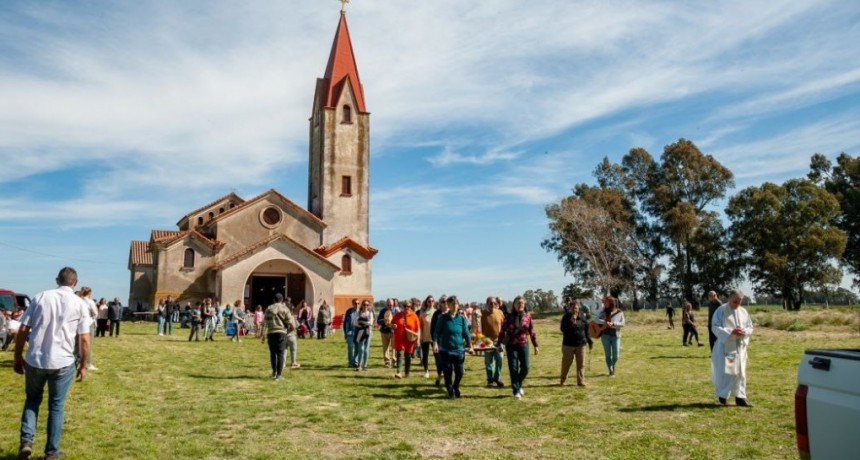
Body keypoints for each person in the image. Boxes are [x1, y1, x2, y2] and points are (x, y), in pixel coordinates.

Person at [13, 267, 93, 460]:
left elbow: (23, 328)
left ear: (57, 279)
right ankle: (51, 452)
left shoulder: (41, 297)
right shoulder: (79, 303)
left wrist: (17, 355)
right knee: (56, 406)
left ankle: (26, 441)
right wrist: (83, 365)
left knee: (32, 400)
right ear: (75, 282)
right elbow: (84, 339)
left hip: (36, 358)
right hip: (62, 361)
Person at [711, 289, 754, 407]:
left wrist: (744, 331)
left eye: (739, 301)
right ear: (729, 298)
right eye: (735, 301)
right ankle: (723, 395)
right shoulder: (721, 310)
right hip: (727, 347)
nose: (737, 303)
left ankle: (740, 397)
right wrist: (731, 332)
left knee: (741, 372)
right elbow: (715, 326)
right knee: (729, 372)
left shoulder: (744, 312)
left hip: (740, 347)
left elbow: (750, 327)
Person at [497, 295, 539, 399]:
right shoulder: (508, 317)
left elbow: (531, 331)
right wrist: (498, 344)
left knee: (526, 367)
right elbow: (502, 331)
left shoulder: (528, 316)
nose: (520, 305)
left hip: (523, 344)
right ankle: (516, 390)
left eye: (522, 303)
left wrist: (535, 345)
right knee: (513, 368)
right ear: (514, 305)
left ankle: (518, 383)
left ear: (524, 305)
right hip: (511, 346)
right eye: (518, 303)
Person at [432, 296, 473, 398]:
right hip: (445, 350)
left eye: (456, 304)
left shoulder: (462, 319)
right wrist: (435, 343)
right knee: (448, 372)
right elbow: (436, 332)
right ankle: (450, 391)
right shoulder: (443, 318)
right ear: (448, 305)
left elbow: (466, 334)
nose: (455, 306)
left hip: (459, 350)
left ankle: (455, 386)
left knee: (459, 372)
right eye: (452, 304)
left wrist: (470, 346)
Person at [260, 293, 298, 380]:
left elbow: (264, 323)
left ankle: (274, 372)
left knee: (273, 354)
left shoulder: (268, 309)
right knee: (280, 353)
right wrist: (293, 328)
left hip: (270, 332)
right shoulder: (284, 308)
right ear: (281, 300)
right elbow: (290, 320)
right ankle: (279, 375)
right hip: (281, 332)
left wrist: (263, 335)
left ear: (273, 300)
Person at [560, 301, 592, 387]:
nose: (575, 310)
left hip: (581, 344)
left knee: (581, 364)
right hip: (568, 345)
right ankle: (563, 380)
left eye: (577, 308)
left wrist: (589, 340)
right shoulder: (566, 317)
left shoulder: (582, 316)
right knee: (566, 363)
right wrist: (570, 321)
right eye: (573, 308)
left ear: (579, 309)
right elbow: (562, 329)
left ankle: (580, 381)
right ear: (570, 308)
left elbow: (586, 329)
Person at [592, 296, 625, 376]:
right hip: (605, 336)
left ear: (611, 303)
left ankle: (613, 365)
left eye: (606, 302)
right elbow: (595, 319)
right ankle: (610, 370)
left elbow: (622, 324)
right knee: (608, 354)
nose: (604, 303)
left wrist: (613, 324)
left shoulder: (619, 312)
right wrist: (604, 322)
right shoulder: (603, 311)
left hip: (616, 336)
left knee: (616, 355)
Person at [392, 298, 421, 379]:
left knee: (408, 355)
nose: (407, 308)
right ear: (403, 306)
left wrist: (418, 340)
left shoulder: (414, 315)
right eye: (405, 306)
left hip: (409, 339)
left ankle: (407, 373)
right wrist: (393, 326)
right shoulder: (398, 315)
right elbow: (391, 324)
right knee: (399, 354)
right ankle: (398, 372)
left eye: (408, 306)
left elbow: (418, 328)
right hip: (399, 338)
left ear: (411, 306)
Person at [481, 296, 505, 388]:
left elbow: (504, 326)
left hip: (499, 341)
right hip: (487, 342)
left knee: (499, 360)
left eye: (494, 303)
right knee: (489, 362)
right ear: (487, 304)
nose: (492, 305)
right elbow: (479, 329)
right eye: (490, 303)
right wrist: (482, 341)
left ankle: (497, 378)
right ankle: (490, 380)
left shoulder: (500, 313)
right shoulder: (483, 314)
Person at [430, 294, 449, 386]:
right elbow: (432, 329)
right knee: (439, 361)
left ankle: (447, 380)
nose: (445, 303)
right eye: (443, 302)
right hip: (439, 342)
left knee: (448, 362)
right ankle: (439, 376)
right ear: (440, 303)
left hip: (449, 342)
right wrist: (434, 342)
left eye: (447, 301)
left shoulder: (452, 313)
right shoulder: (436, 314)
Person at [352, 300, 374, 371]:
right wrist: (365, 323)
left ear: (369, 306)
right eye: (364, 305)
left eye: (367, 305)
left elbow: (370, 323)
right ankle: (359, 365)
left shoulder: (370, 313)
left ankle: (365, 365)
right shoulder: (358, 313)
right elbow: (355, 323)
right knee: (361, 349)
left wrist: (362, 322)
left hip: (368, 332)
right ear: (362, 305)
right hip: (360, 332)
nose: (365, 306)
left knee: (366, 349)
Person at [418, 296, 436, 379]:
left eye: (432, 301)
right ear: (426, 302)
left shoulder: (436, 312)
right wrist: (420, 336)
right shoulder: (422, 313)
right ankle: (426, 371)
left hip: (434, 337)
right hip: (425, 336)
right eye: (429, 301)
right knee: (425, 355)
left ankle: (440, 370)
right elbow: (420, 326)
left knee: (437, 354)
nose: (431, 302)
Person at [377, 298, 396, 367]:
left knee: (394, 347)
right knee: (385, 348)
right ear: (386, 304)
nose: (389, 306)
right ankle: (387, 362)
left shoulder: (396, 311)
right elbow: (378, 321)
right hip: (384, 331)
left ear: (393, 304)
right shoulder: (382, 311)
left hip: (393, 331)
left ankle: (394, 361)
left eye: (391, 304)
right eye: (388, 304)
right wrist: (384, 320)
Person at [343, 299, 359, 367]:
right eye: (355, 303)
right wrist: (345, 333)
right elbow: (345, 322)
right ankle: (350, 361)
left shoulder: (361, 311)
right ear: (352, 304)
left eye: (358, 303)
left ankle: (355, 361)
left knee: (357, 347)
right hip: (350, 331)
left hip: (358, 331)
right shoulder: (349, 311)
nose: (357, 305)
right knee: (350, 346)